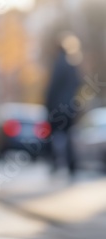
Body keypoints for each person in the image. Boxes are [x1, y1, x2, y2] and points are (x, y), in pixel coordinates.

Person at [44, 33, 82, 175]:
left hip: (57, 108)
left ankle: (55, 164)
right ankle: (72, 166)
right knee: (68, 136)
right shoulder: (72, 64)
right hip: (70, 107)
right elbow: (78, 84)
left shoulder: (58, 64)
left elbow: (53, 87)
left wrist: (47, 105)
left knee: (52, 136)